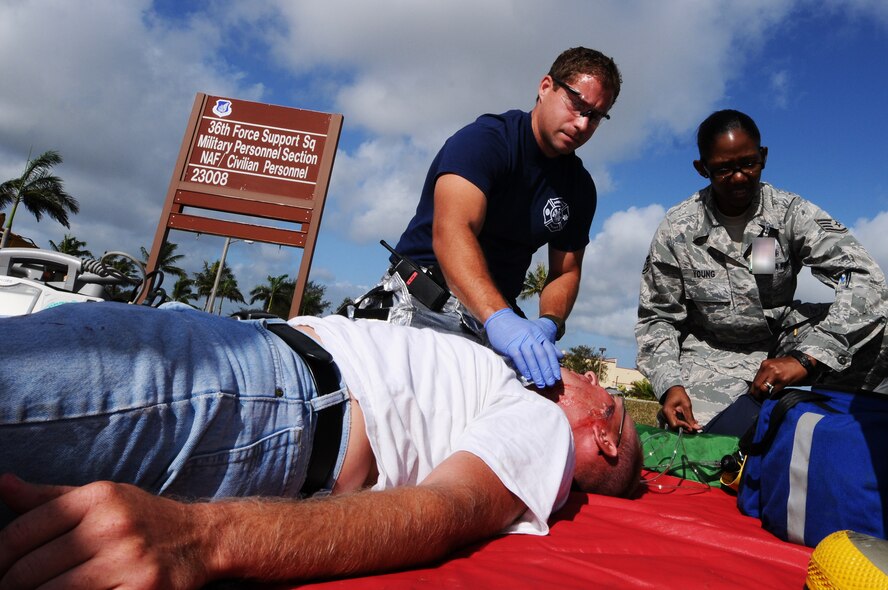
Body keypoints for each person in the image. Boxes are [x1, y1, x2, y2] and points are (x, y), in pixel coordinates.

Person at [0, 302, 641, 588]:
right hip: (245, 366)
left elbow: (444, 511)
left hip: (257, 397)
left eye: (594, 387)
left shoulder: (542, 422)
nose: (581, 374)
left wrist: (200, 539)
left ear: (604, 435)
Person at [343, 47, 622, 389]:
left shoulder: (580, 188)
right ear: (546, 86)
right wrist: (500, 319)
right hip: (423, 302)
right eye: (576, 105)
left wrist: (548, 323)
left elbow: (566, 271)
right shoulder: (486, 141)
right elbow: (452, 233)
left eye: (595, 116)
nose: (582, 124)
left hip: (496, 324)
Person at [635, 109, 888, 436]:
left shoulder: (789, 213)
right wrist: (669, 385)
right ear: (702, 169)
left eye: (748, 164)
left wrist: (807, 357)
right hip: (712, 355)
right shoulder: (678, 229)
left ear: (763, 156)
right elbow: (657, 318)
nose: (739, 177)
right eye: (724, 169)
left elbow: (862, 277)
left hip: (786, 340)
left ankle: (845, 433)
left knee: (882, 333)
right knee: (694, 438)